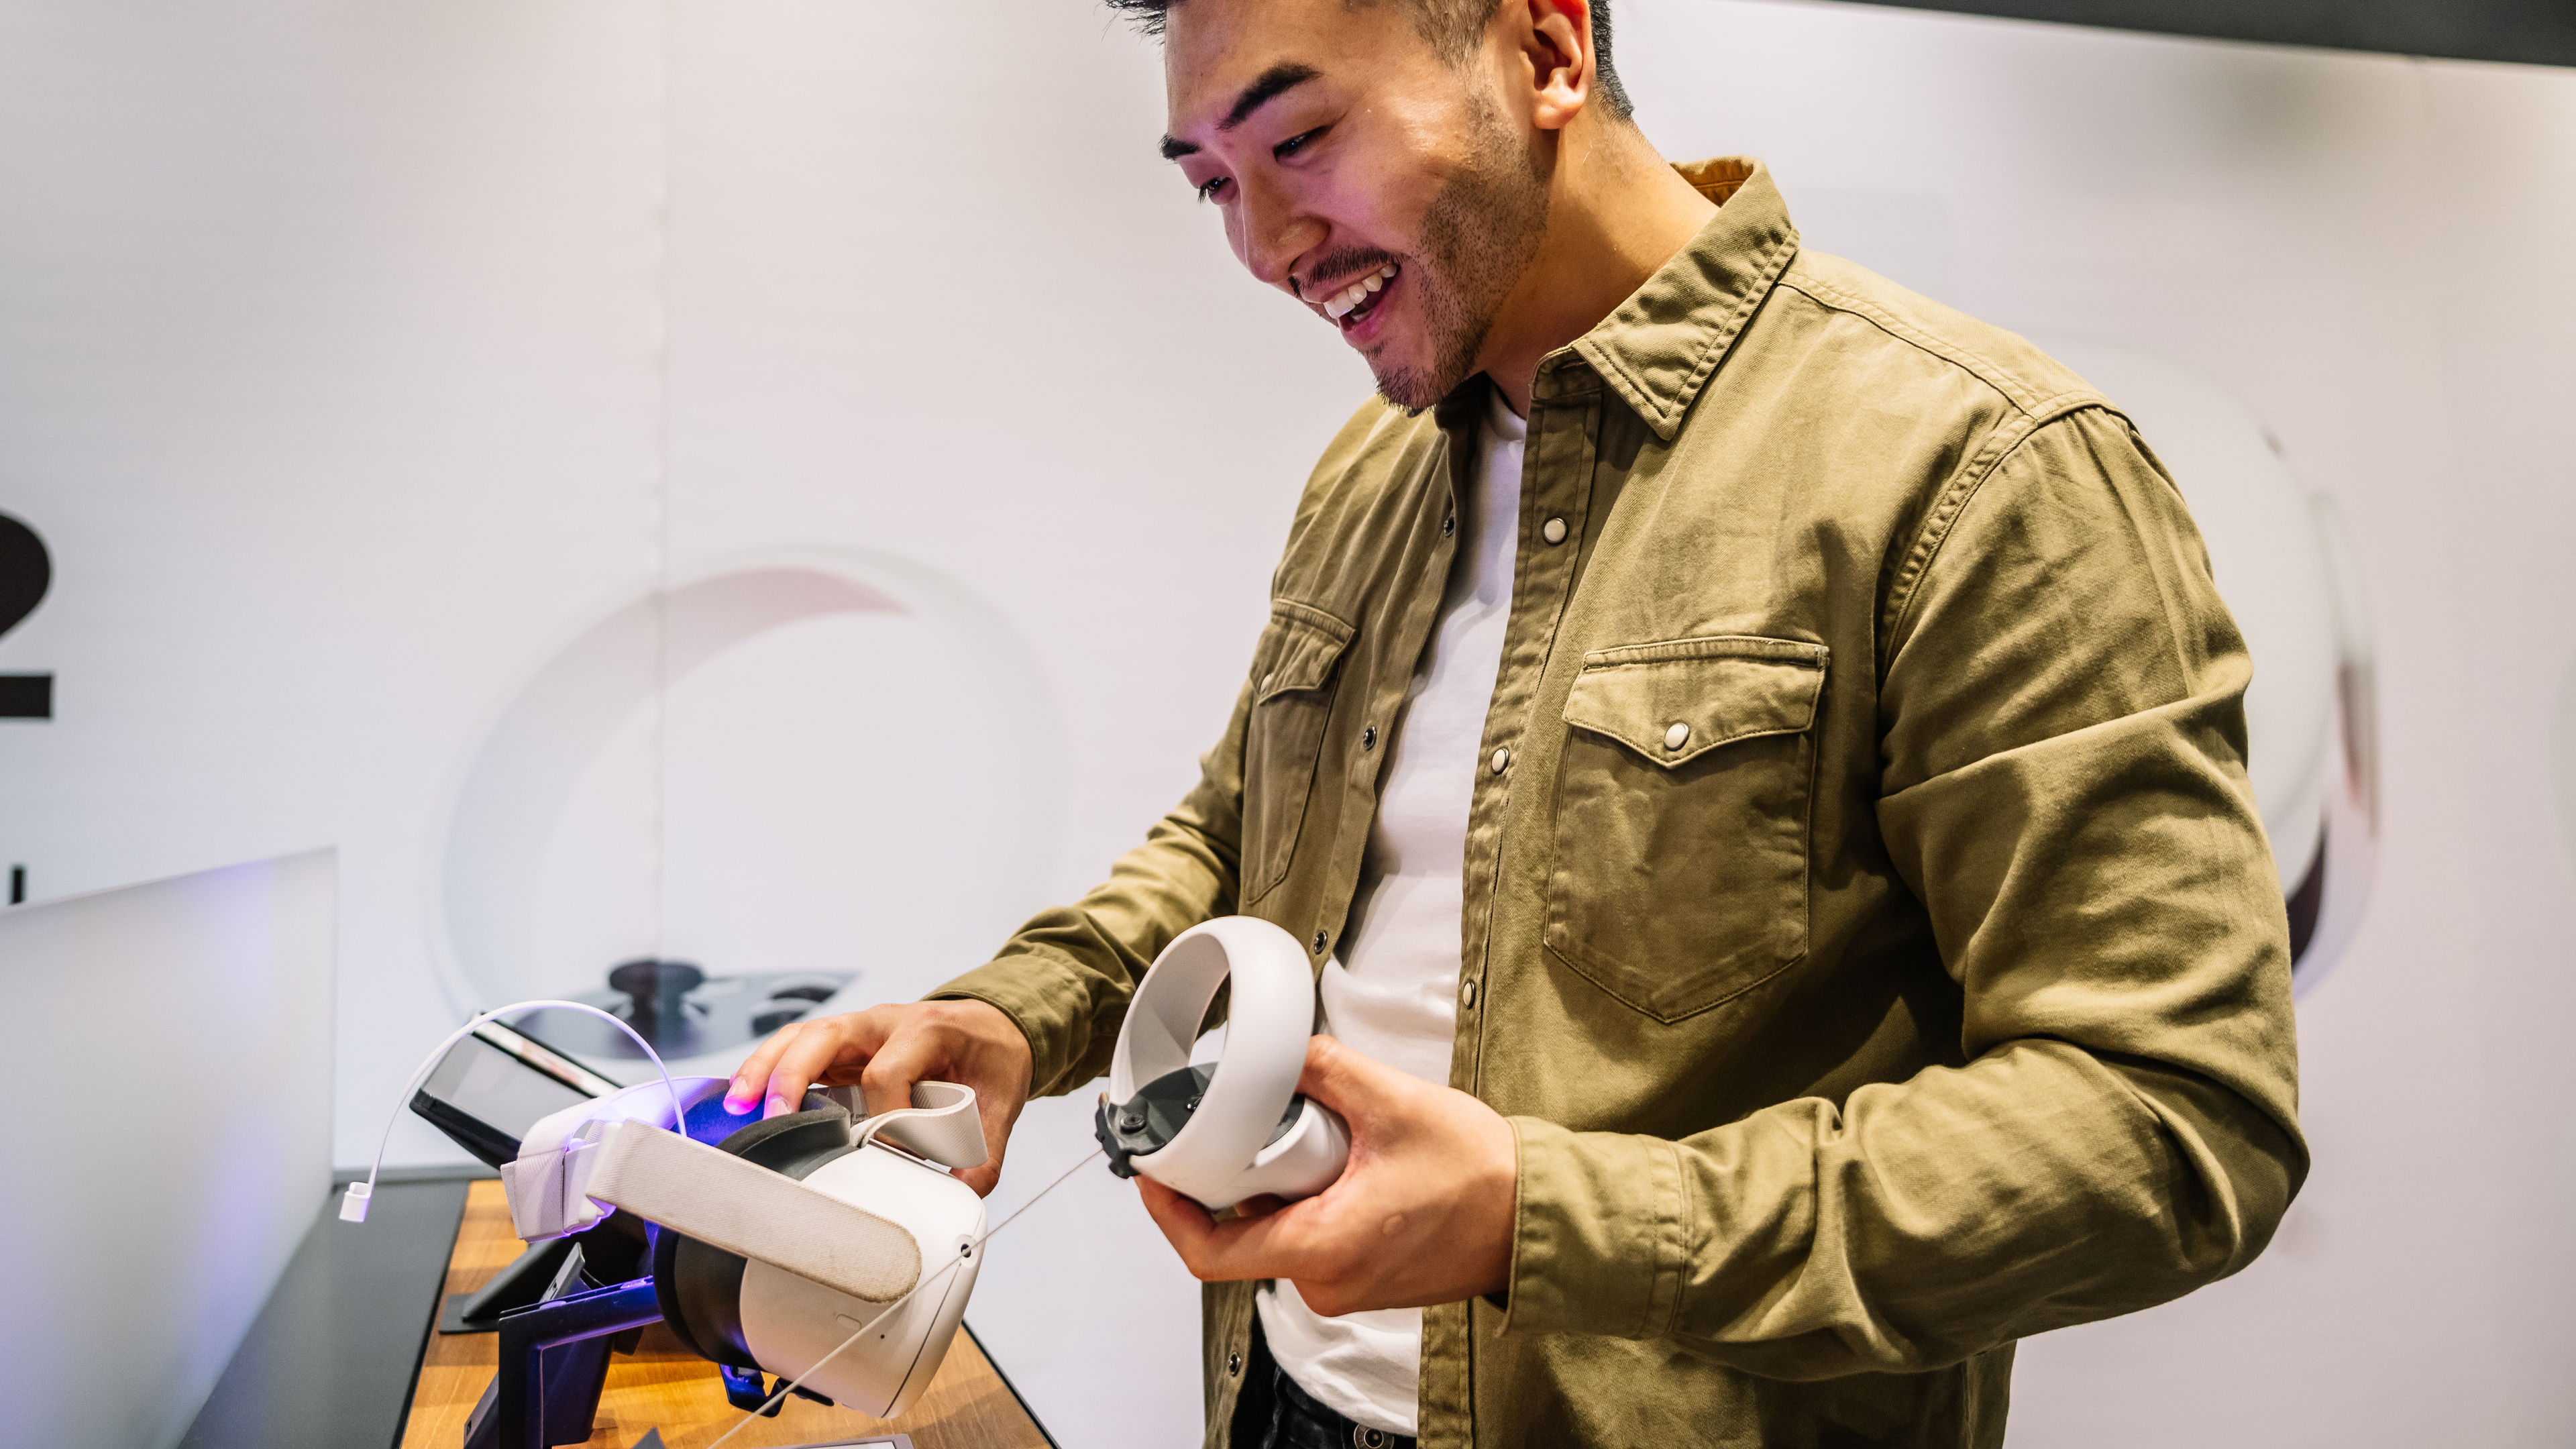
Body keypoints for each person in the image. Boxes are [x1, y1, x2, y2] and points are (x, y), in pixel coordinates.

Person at [726, 1, 2307, 1444]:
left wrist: (1536, 1214)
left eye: (1299, 139)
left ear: (1546, 52)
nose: (1266, 242)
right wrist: (1023, 1018)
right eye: (1211, 181)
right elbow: (1245, 840)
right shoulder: (1378, 464)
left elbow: (2168, 1124)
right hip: (1283, 1401)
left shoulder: (1978, 466)